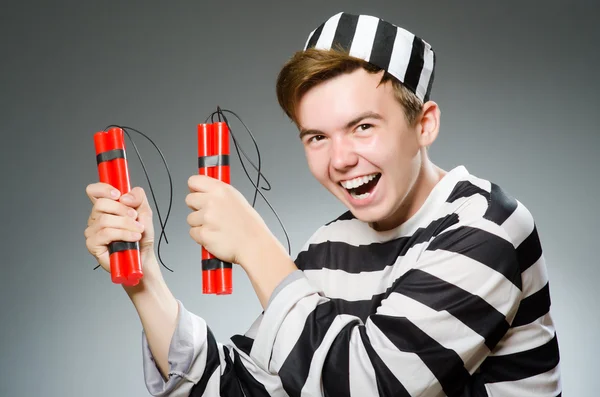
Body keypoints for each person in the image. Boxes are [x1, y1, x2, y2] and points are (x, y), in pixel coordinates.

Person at [84, 11, 561, 397]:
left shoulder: (487, 226)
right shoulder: (330, 245)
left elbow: (367, 385)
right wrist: (144, 280)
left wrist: (255, 246)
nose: (340, 159)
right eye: (316, 136)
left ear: (424, 125)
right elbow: (248, 389)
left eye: (363, 127)